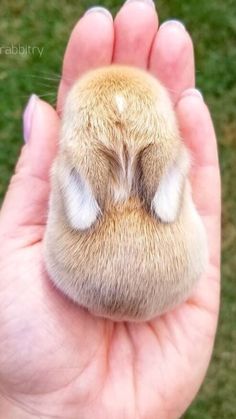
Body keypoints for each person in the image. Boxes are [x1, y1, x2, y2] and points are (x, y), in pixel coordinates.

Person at [0, 1, 221, 418]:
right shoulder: (166, 155)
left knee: (80, 212)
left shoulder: (79, 161)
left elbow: (82, 212)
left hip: (82, 285)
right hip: (171, 280)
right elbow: (166, 198)